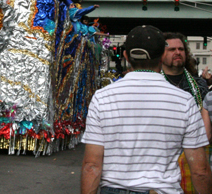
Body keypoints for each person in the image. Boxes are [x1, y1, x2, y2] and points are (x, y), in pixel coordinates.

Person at [81, 25, 212, 194]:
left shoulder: (102, 98)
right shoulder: (185, 101)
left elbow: (91, 165)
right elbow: (200, 170)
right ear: (162, 55)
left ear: (127, 56)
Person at [161, 32, 211, 194]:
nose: (177, 52)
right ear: (160, 54)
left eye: (181, 49)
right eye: (171, 49)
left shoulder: (199, 85)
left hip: (193, 154)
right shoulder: (153, 83)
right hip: (161, 158)